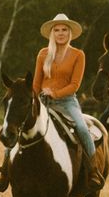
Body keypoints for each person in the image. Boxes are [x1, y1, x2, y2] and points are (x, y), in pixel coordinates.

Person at [29, 13, 99, 169]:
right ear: (52, 33)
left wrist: (55, 93)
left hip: (67, 102)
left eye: (64, 30)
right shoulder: (43, 53)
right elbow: (36, 83)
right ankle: (6, 170)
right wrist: (33, 99)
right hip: (42, 101)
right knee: (21, 125)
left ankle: (94, 169)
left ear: (70, 33)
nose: (60, 33)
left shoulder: (78, 55)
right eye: (57, 30)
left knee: (82, 128)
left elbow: (75, 85)